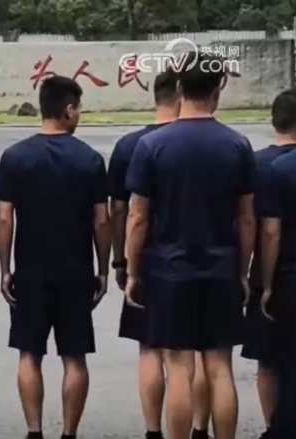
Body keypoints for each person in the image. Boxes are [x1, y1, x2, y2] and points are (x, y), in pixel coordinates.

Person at [124, 52, 254, 439]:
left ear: (179, 89)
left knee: (179, 367)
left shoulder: (152, 144)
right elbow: (247, 218)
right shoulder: (238, 145)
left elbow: (137, 216)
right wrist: (242, 271)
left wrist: (132, 270)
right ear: (218, 91)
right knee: (220, 367)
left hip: (168, 270)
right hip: (221, 268)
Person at [0, 75, 110, 439]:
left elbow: (4, 217)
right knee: (74, 357)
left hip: (30, 271)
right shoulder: (90, 159)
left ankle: (34, 431)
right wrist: (103, 270)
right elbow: (101, 220)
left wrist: (4, 269)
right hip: (76, 272)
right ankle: (69, 433)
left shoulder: (15, 157)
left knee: (29, 354)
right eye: (79, 109)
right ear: (68, 109)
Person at [108, 70, 212, 439]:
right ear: (182, 95)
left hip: (150, 260)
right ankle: (199, 428)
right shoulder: (206, 142)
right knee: (199, 352)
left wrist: (121, 260)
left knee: (150, 348)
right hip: (205, 259)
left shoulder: (130, 145)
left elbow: (120, 210)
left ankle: (154, 430)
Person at [242, 89, 296, 439]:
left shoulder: (257, 164)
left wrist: (257, 277)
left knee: (268, 359)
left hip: (275, 273)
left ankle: (273, 426)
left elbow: (259, 227)